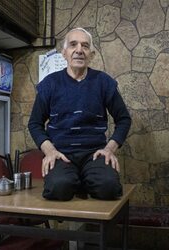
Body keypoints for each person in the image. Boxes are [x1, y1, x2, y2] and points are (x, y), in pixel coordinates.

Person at [28, 27, 131, 201]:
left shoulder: (103, 82)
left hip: (94, 155)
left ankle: (83, 178)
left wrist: (109, 149)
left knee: (110, 188)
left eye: (85, 46)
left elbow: (124, 119)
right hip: (61, 155)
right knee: (58, 188)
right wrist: (50, 151)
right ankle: (77, 180)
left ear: (91, 54)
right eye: (73, 45)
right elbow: (35, 123)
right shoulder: (50, 84)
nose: (79, 50)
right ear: (64, 53)